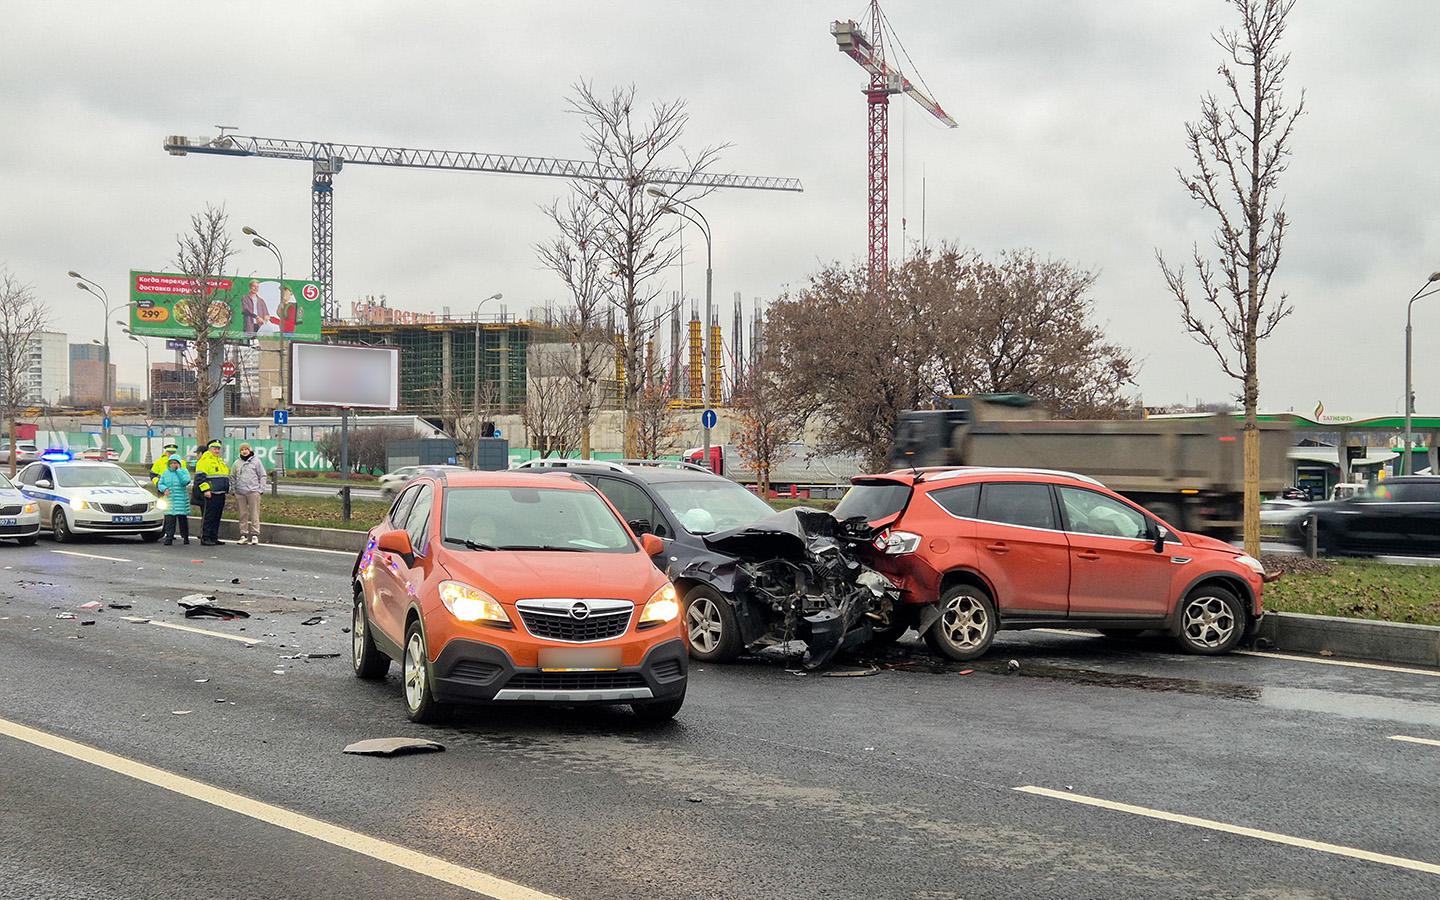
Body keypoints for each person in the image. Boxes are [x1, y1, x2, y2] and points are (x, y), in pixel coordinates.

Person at [194, 439, 231, 546]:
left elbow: (224, 476)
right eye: (215, 448)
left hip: (220, 493)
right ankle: (205, 537)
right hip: (211, 493)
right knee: (209, 517)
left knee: (217, 517)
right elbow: (200, 478)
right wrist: (206, 490)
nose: (217, 450)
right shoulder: (204, 461)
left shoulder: (220, 461)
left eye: (218, 448)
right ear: (209, 449)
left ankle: (214, 537)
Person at [231, 442, 267, 545]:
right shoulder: (236, 463)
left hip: (253, 492)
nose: (244, 451)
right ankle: (244, 535)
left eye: (246, 449)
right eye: (242, 450)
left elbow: (262, 475)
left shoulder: (256, 461)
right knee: (243, 514)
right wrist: (233, 490)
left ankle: (255, 535)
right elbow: (232, 477)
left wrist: (261, 489)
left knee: (254, 513)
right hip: (240, 493)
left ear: (249, 450)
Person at [156, 456, 192, 545]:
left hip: (181, 499)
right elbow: (160, 484)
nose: (173, 465)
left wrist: (178, 471)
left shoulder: (183, 471)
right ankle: (169, 537)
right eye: (171, 463)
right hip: (169, 500)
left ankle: (185, 536)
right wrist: (164, 489)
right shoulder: (165, 473)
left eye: (175, 463)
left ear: (179, 464)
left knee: (182, 520)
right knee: (169, 520)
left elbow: (185, 481)